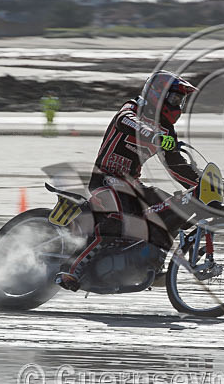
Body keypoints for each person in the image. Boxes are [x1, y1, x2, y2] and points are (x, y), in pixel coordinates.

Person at [56, 71, 202, 292]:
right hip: (105, 178)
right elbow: (127, 122)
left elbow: (176, 166)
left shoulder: (167, 131)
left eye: (180, 101)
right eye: (174, 99)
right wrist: (153, 135)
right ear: (157, 96)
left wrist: (203, 183)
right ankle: (73, 269)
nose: (178, 105)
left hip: (133, 185)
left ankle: (152, 262)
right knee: (116, 217)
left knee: (174, 211)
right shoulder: (132, 109)